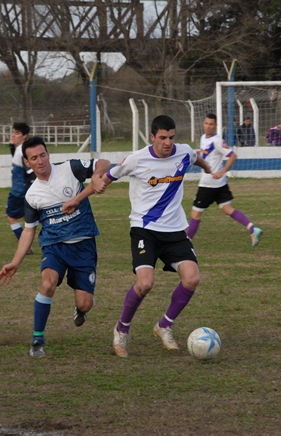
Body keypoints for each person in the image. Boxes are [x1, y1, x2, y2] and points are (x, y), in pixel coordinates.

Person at [101, 115, 211, 358]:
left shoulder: (182, 153)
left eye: (171, 137)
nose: (167, 142)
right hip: (145, 229)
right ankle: (122, 329)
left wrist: (208, 168)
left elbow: (196, 158)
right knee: (145, 283)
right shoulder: (137, 159)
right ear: (152, 137)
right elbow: (110, 176)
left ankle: (165, 325)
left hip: (175, 231)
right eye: (162, 138)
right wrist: (96, 186)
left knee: (192, 278)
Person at [0, 136, 110, 358]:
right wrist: (15, 262)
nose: (40, 161)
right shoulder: (32, 195)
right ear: (27, 163)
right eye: (34, 158)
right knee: (47, 283)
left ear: (48, 154)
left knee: (85, 304)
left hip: (83, 246)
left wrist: (96, 177)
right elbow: (29, 230)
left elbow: (104, 163)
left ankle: (81, 308)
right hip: (53, 246)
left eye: (43, 155)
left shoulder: (70, 168)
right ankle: (38, 338)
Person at [187, 113, 263, 247]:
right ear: (203, 124)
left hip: (208, 184)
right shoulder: (203, 138)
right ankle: (252, 228)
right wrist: (195, 154)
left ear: (215, 126)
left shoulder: (217, 140)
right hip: (219, 185)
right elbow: (206, 153)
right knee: (228, 209)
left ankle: (186, 243)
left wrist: (222, 172)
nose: (208, 126)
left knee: (195, 214)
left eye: (211, 124)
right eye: (206, 123)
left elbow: (232, 156)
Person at [5, 122, 34, 254]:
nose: (13, 135)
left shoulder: (23, 151)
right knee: (27, 217)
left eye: (17, 133)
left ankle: (26, 247)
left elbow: (29, 171)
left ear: (25, 136)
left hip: (19, 191)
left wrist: (28, 189)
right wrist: (11, 146)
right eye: (13, 132)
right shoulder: (21, 148)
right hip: (23, 190)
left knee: (11, 217)